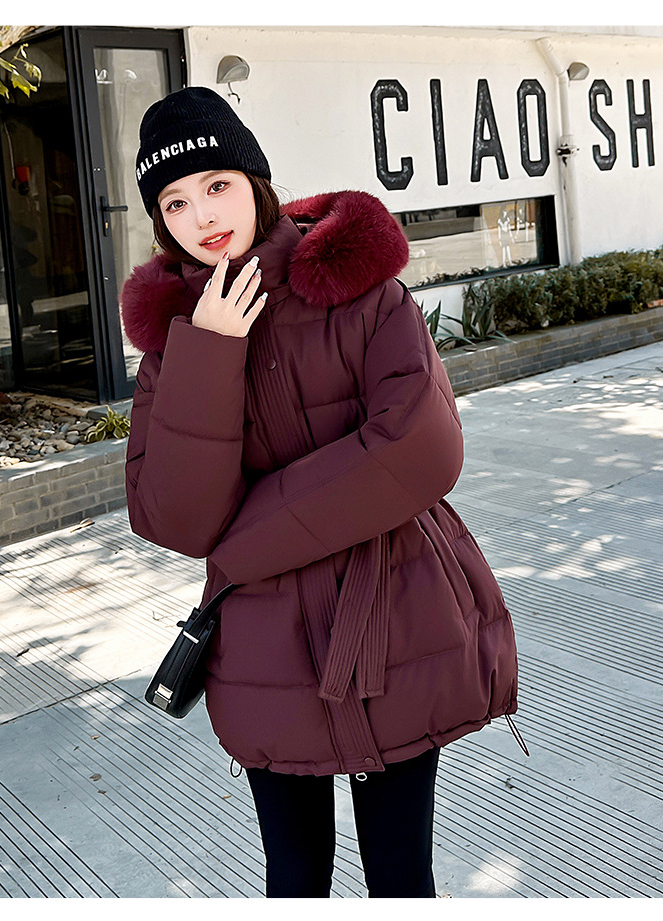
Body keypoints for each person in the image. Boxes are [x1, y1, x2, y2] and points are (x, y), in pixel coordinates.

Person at [121, 86, 521, 899]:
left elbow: (422, 447)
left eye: (217, 184)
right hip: (266, 656)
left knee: (400, 877)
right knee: (295, 878)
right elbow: (176, 518)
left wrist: (243, 546)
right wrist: (209, 353)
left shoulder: (356, 286)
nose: (203, 215)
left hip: (392, 625)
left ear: (255, 181)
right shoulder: (176, 345)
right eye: (175, 202)